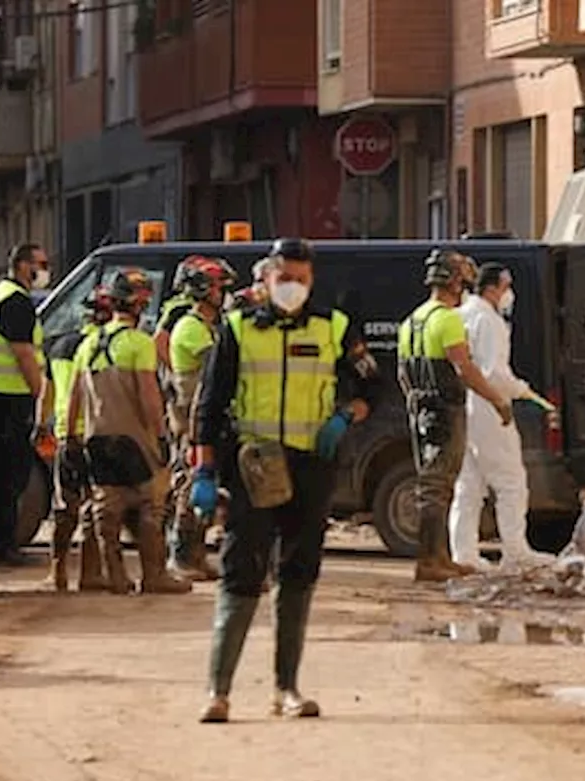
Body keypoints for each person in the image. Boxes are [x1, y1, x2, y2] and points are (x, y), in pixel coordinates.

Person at [190, 237, 380, 723]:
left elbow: (372, 382)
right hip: (255, 466)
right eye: (284, 278)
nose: (292, 287)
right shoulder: (237, 330)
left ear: (312, 280)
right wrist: (205, 471)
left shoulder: (334, 327)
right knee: (241, 570)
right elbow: (209, 408)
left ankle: (287, 689)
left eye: (301, 279)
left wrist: (348, 414)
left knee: (298, 571)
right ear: (267, 279)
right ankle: (218, 691)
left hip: (311, 465)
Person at [67, 268, 191, 596]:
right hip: (136, 440)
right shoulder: (139, 344)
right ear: (138, 305)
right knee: (153, 504)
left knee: (106, 508)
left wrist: (70, 437)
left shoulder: (89, 344)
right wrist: (162, 437)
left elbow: (74, 396)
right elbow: (150, 399)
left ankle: (113, 577)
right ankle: (154, 576)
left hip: (97, 438)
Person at [397, 249, 514, 583]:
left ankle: (439, 558)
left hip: (420, 409)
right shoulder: (448, 320)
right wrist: (497, 401)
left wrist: (416, 404)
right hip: (445, 410)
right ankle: (431, 560)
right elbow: (465, 369)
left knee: (430, 483)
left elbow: (403, 374)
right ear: (454, 282)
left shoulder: (413, 321)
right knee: (438, 486)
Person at [447, 263, 554, 571]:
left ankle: (464, 553)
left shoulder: (462, 314)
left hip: (463, 407)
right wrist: (520, 390)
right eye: (506, 286)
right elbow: (494, 373)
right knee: (510, 481)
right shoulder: (489, 320)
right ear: (492, 288)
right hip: (489, 407)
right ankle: (516, 552)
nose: (510, 293)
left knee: (469, 484)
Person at [0, 243, 49, 566]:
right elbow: (23, 354)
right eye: (40, 264)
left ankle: (0, 544)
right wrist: (39, 392)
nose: (43, 271)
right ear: (21, 266)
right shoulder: (15, 301)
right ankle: (3, 547)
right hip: (7, 398)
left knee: (2, 473)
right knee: (10, 473)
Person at [166, 256, 235, 581]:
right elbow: (217, 363)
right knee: (190, 487)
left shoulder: (209, 326)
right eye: (218, 286)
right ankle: (182, 556)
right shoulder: (190, 328)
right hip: (191, 419)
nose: (222, 292)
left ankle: (197, 556)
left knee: (208, 487)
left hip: (208, 418)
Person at [42, 286, 115, 591]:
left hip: (64, 434)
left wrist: (40, 425)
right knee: (93, 503)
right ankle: (90, 572)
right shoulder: (102, 347)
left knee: (64, 504)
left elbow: (47, 393)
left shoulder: (58, 346)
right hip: (95, 433)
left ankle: (57, 571)